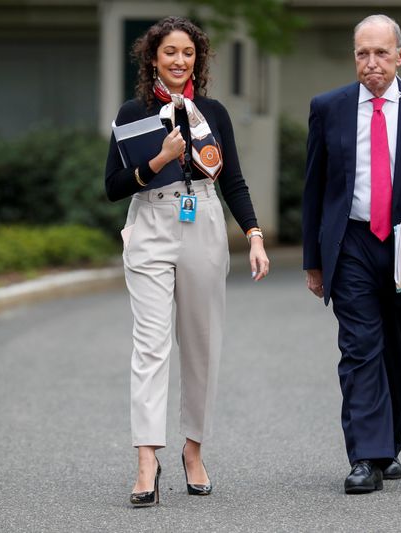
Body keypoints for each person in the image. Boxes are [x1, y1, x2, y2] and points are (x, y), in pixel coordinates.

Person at [105, 16, 270, 507]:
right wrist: (157, 160)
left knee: (202, 345)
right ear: (152, 58)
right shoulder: (134, 111)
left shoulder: (213, 112)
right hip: (151, 225)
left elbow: (234, 181)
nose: (179, 61)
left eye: (188, 53)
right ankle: (146, 460)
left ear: (198, 59)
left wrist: (255, 236)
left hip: (203, 221)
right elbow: (112, 187)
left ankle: (193, 450)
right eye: (169, 52)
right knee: (151, 347)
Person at [302, 14, 401, 494]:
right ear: (355, 57)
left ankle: (388, 444)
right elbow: (314, 189)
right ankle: (366, 457)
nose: (372, 64)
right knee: (359, 347)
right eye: (363, 54)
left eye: (381, 54)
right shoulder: (329, 107)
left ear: (400, 56)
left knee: (393, 346)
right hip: (350, 243)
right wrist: (314, 260)